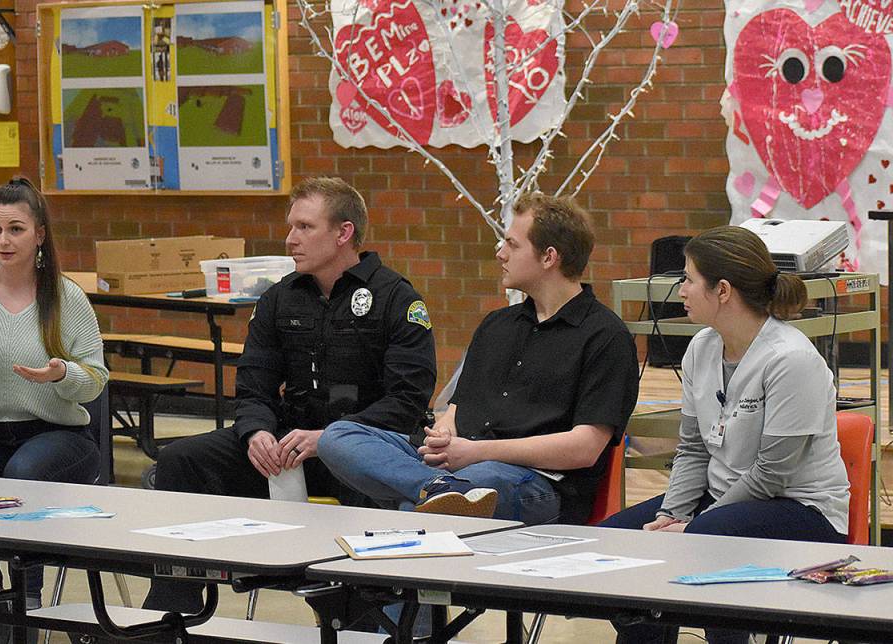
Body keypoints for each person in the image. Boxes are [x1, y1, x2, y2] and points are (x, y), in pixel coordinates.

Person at [141, 177, 437, 614]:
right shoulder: (281, 298)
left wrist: (332, 438)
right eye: (291, 227)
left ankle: (361, 618)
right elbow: (253, 384)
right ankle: (172, 612)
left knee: (380, 497)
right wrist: (255, 431)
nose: (290, 239)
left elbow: (407, 401)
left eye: (304, 227)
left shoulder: (395, 298)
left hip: (361, 453)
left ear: (343, 233)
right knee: (180, 460)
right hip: (287, 449)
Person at [317, 192, 639, 526]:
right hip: (458, 464)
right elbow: (456, 411)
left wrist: (476, 453)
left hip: (532, 480)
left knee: (481, 482)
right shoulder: (496, 325)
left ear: (549, 257)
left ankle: (431, 498)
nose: (500, 253)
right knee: (338, 437)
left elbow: (583, 448)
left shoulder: (605, 335)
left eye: (512, 245)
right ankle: (437, 491)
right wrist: (442, 435)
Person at [600, 225, 850, 644]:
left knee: (704, 543)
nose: (679, 289)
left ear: (723, 291)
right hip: (721, 502)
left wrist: (696, 524)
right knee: (613, 542)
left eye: (688, 279)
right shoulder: (701, 346)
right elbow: (695, 447)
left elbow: (773, 473)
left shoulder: (791, 359)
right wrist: (671, 515)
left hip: (801, 510)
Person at [0, 177, 108, 644]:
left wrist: (60, 374)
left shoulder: (67, 298)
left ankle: (26, 601)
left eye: (16, 229)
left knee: (21, 475)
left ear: (40, 235)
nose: (3, 241)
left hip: (59, 434)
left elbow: (95, 381)